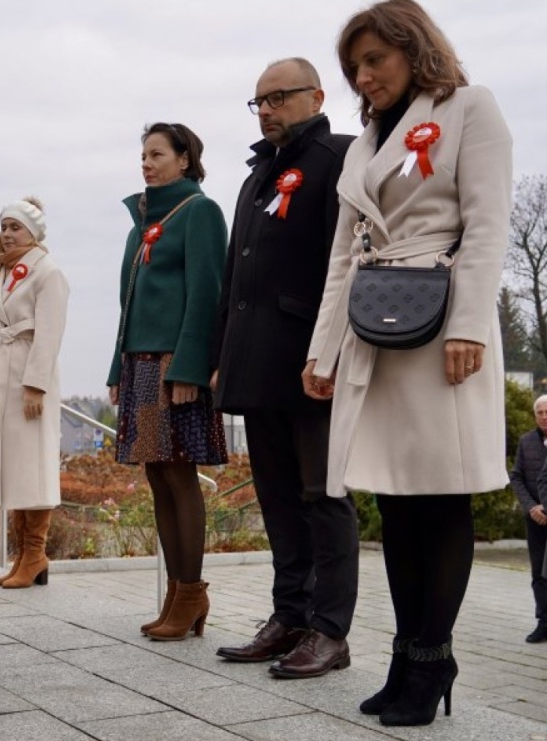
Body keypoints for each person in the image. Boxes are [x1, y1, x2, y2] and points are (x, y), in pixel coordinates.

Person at [304, 0, 513, 726]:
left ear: (413, 49)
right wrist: (322, 349)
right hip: (374, 323)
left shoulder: (469, 108)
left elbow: (489, 223)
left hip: (443, 320)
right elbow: (342, 255)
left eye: (375, 62)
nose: (364, 78)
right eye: (355, 68)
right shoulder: (363, 141)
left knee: (440, 492)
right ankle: (407, 655)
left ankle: (432, 656)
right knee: (392, 499)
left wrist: (469, 327)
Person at [211, 59, 359, 678]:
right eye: (258, 101)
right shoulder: (255, 174)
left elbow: (347, 261)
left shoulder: (338, 157)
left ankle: (330, 631)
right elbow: (233, 276)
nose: (267, 109)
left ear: (316, 96)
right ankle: (289, 617)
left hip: (310, 360)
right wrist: (222, 355)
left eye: (278, 97)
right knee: (276, 497)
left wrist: (329, 352)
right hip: (257, 360)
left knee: (323, 496)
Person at [108, 123, 228, 641]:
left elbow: (208, 292)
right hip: (140, 364)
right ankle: (177, 593)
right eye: (143, 154)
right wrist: (118, 368)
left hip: (174, 363)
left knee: (179, 476)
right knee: (157, 477)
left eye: (157, 154)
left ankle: (192, 592)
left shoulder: (200, 212)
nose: (146, 162)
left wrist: (189, 368)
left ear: (185, 160)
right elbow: (127, 304)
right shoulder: (141, 225)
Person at [0, 197, 69, 589]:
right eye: (4, 227)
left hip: (28, 376)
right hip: (0, 376)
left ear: (34, 233)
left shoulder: (48, 273)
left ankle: (35, 552)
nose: (7, 234)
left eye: (16, 227)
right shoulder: (5, 276)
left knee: (33, 464)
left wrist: (35, 385)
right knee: (11, 463)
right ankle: (24, 555)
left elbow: (49, 332)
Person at [510, 395, 547, 644]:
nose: (544, 416)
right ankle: (543, 621)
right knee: (538, 572)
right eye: (540, 412)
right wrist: (532, 507)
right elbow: (517, 477)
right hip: (536, 518)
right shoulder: (526, 442)